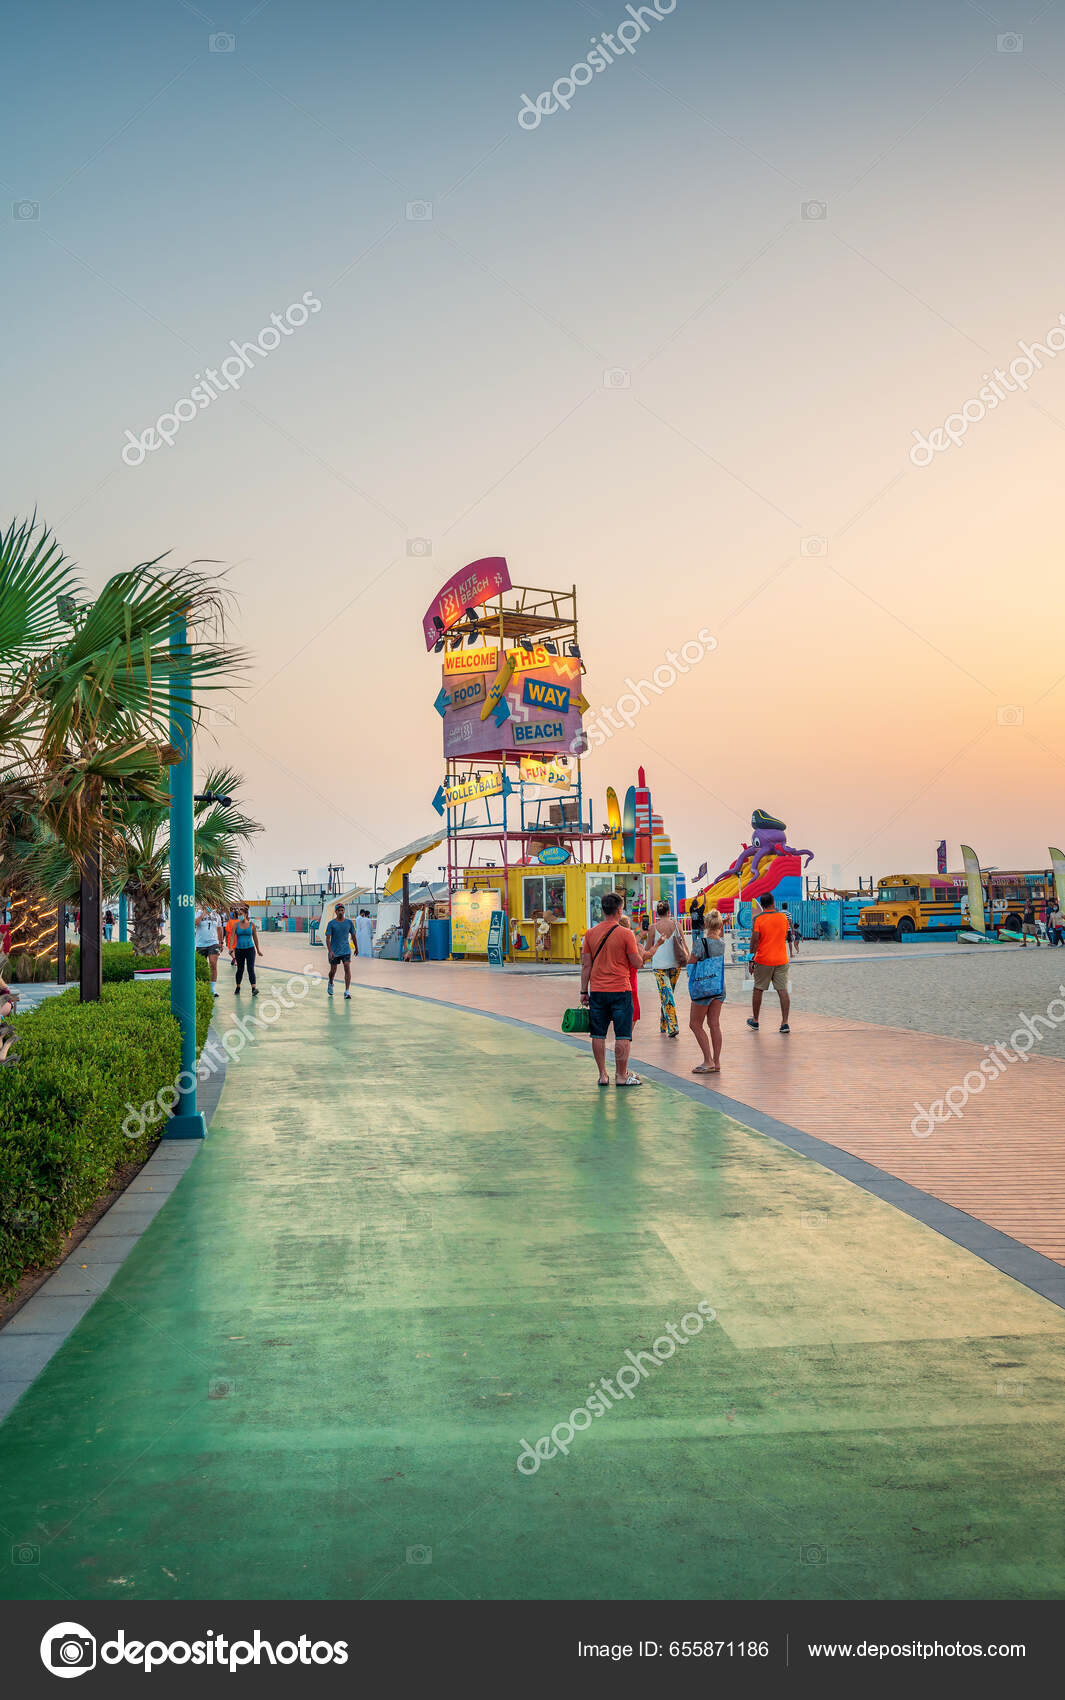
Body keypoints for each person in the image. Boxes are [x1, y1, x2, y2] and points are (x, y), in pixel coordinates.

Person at [580, 890, 646, 1087]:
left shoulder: (590, 934)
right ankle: (621, 1075)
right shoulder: (626, 934)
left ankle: (603, 1075)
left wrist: (584, 991)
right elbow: (636, 963)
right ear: (619, 910)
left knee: (598, 1034)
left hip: (598, 991)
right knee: (623, 1035)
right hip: (621, 990)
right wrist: (641, 956)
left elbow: (586, 966)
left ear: (603, 910)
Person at [687, 907, 726, 1074]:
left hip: (703, 988)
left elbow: (691, 964)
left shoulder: (700, 943)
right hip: (718, 986)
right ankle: (716, 1061)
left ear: (705, 924)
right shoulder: (722, 944)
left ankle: (707, 1060)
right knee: (714, 1024)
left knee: (695, 1024)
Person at [747, 891, 792, 1033]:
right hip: (781, 959)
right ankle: (785, 1023)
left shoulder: (759, 919)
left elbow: (754, 941)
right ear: (773, 903)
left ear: (763, 904)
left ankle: (755, 1020)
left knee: (758, 989)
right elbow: (784, 935)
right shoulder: (783, 918)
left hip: (763, 959)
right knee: (782, 990)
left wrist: (751, 959)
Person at [646, 899, 687, 1038]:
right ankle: (672, 1026)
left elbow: (647, 948)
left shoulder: (652, 928)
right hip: (676, 965)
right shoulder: (677, 924)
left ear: (657, 913)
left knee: (667, 995)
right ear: (669, 912)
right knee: (668, 995)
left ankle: (664, 1024)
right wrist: (689, 961)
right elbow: (684, 945)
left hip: (659, 966)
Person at [325, 902, 357, 997]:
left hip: (346, 950)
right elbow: (327, 939)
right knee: (333, 971)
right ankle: (330, 982)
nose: (340, 912)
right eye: (338, 910)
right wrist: (330, 951)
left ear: (344, 911)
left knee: (347, 966)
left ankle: (347, 991)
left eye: (342, 910)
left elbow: (354, 936)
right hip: (334, 951)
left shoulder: (349, 922)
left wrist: (356, 948)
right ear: (335, 912)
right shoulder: (331, 924)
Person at [233, 907, 262, 995]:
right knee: (240, 969)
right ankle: (238, 986)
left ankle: (253, 988)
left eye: (241, 914)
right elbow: (231, 937)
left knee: (250, 969)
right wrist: (231, 948)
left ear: (246, 914)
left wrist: (258, 950)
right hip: (239, 950)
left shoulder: (251, 925)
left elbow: (255, 938)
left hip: (250, 949)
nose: (239, 916)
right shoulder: (236, 925)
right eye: (238, 914)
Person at [194, 907, 222, 998]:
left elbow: (219, 929)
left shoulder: (216, 915)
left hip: (213, 943)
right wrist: (203, 914)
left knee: (213, 964)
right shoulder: (197, 913)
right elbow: (194, 923)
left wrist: (221, 942)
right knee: (201, 966)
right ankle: (201, 986)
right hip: (200, 944)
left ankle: (212, 989)